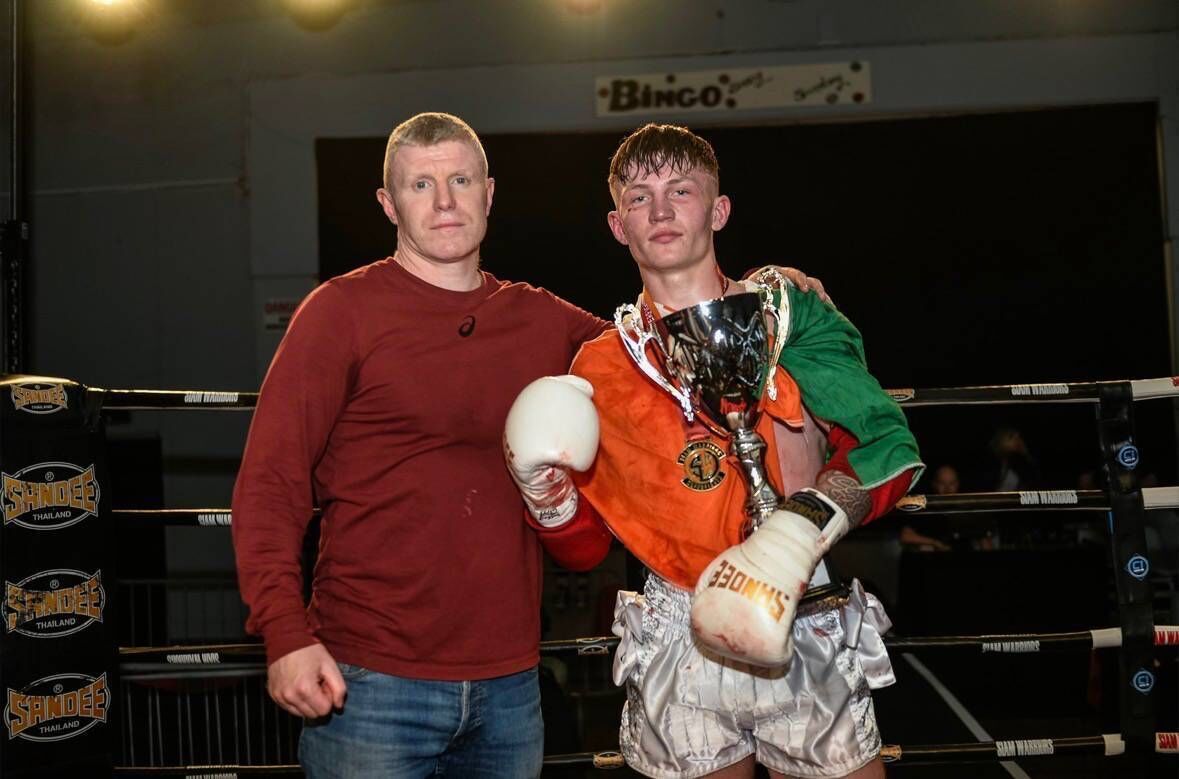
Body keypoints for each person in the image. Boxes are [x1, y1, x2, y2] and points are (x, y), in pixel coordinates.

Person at [231, 112, 828, 778]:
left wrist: (761, 289)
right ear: (387, 203)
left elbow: (658, 348)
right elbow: (270, 484)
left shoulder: (538, 319)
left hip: (510, 684)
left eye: (460, 179)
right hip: (370, 680)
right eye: (420, 184)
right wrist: (284, 633)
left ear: (489, 193)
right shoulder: (339, 313)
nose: (445, 200)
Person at [504, 123, 923, 779]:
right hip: (678, 620)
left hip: (800, 604)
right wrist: (544, 494)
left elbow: (888, 446)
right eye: (640, 198)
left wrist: (793, 531)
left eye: (681, 189)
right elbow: (583, 550)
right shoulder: (601, 367)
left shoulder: (789, 314)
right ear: (618, 225)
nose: (662, 210)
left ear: (718, 209)